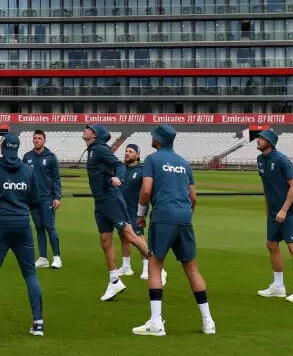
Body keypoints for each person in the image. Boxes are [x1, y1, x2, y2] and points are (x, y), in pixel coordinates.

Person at [132, 125, 215, 336]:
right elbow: (193, 197)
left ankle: (156, 323)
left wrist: (141, 214)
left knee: (154, 266)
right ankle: (208, 322)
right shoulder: (183, 162)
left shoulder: (152, 160)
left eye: (153, 135)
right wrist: (185, 215)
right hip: (184, 217)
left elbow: (146, 190)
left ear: (158, 139)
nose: (151, 137)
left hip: (163, 216)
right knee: (192, 269)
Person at [0, 133, 44, 337]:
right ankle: (38, 323)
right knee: (30, 274)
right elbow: (36, 200)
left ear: (2, 147)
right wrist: (21, 209)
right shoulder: (28, 170)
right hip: (22, 225)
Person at [82, 124, 151, 302]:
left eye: (89, 128)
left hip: (110, 198)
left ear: (95, 135)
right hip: (100, 201)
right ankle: (114, 281)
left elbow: (118, 165)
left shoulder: (100, 148)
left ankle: (156, 265)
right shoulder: (92, 150)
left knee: (129, 234)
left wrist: (118, 178)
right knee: (105, 241)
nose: (85, 129)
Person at [255, 129, 293, 303]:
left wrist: (284, 209)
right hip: (273, 211)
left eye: (261, 138)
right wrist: (268, 208)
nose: (257, 140)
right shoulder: (260, 160)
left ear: (269, 142)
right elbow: (266, 186)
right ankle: (278, 286)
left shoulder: (282, 160)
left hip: (289, 210)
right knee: (271, 244)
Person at [117, 144, 162, 282]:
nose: (127, 153)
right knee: (123, 236)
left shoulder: (142, 170)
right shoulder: (120, 169)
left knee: (138, 237)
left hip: (135, 209)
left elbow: (147, 191)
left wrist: (143, 211)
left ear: (137, 155)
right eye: (126, 151)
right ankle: (126, 266)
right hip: (121, 208)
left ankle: (147, 267)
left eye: (131, 151)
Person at [21, 130, 63, 269]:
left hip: (47, 198)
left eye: (39, 138)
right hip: (33, 200)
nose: (36, 140)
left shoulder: (51, 157)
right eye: (35, 138)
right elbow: (24, 178)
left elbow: (56, 178)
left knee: (49, 227)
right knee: (39, 228)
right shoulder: (27, 157)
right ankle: (43, 258)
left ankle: (57, 258)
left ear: (44, 140)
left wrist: (57, 197)